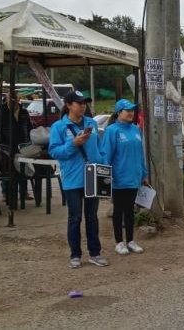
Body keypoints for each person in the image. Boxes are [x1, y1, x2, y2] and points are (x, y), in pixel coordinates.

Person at [49, 91, 108, 269]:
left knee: (92, 217)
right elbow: (55, 152)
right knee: (75, 217)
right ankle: (75, 255)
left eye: (84, 103)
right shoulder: (59, 127)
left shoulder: (91, 123)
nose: (83, 106)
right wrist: (73, 144)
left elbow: (98, 147)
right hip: (72, 179)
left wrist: (102, 163)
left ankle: (95, 253)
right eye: (78, 103)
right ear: (68, 105)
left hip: (92, 176)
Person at [101, 99, 148, 256]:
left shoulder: (135, 129)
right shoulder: (112, 130)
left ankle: (131, 240)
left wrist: (144, 173)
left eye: (132, 110)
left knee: (130, 211)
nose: (131, 113)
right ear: (119, 112)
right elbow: (106, 155)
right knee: (119, 211)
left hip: (134, 177)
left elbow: (141, 154)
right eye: (127, 110)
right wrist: (106, 177)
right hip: (119, 178)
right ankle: (119, 242)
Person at [0, 94, 33, 203]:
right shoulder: (0, 111)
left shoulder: (24, 112)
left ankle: (24, 192)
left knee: (24, 166)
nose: (13, 100)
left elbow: (29, 127)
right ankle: (6, 193)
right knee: (7, 168)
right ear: (6, 99)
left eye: (15, 98)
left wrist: (30, 141)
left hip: (22, 145)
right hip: (5, 146)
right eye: (11, 98)